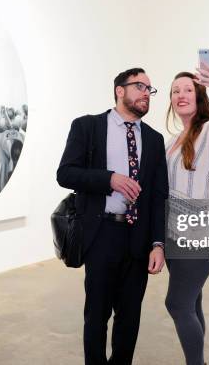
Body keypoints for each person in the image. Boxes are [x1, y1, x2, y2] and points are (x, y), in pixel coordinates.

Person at [57, 67, 168, 365]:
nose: (146, 93)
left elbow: (159, 197)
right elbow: (65, 173)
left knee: (129, 318)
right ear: (120, 90)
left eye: (150, 89)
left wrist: (158, 243)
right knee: (96, 316)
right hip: (101, 234)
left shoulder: (155, 140)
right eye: (140, 86)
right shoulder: (87, 127)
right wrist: (110, 179)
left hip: (139, 239)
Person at [164, 62, 209, 365]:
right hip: (174, 234)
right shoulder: (173, 141)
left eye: (188, 90)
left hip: (200, 234)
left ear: (200, 96)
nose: (181, 95)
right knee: (192, 302)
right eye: (175, 91)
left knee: (177, 304)